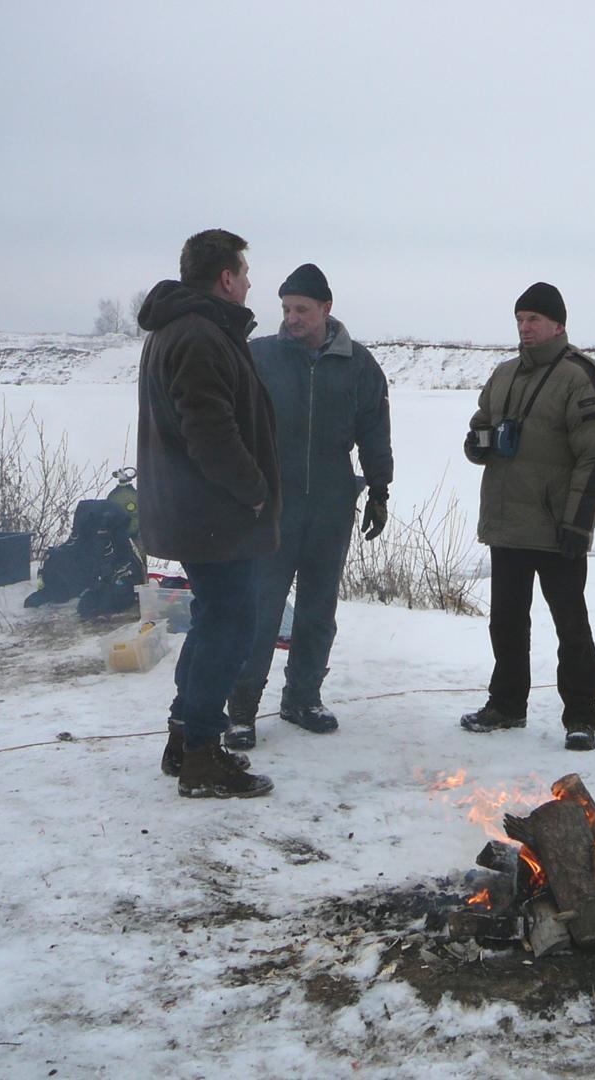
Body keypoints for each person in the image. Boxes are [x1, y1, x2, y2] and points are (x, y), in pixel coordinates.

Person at [223, 264, 393, 748]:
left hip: (332, 505)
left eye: (301, 308)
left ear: (326, 308)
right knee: (261, 610)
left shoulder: (359, 364)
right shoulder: (259, 356)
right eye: (286, 309)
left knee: (318, 610)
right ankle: (241, 709)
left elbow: (375, 432)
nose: (292, 318)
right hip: (271, 505)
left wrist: (379, 490)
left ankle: (303, 697)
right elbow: (231, 425)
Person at [137, 228, 280, 798]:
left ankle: (184, 738)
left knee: (214, 620)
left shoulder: (183, 328)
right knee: (231, 626)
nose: (249, 283)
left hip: (196, 510)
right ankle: (201, 755)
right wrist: (254, 489)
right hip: (215, 514)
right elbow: (209, 431)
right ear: (225, 278)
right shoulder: (199, 334)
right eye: (244, 273)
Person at [460, 282, 595, 750]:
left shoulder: (580, 377)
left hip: (556, 527)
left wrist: (578, 524)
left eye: (534, 319)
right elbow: (480, 426)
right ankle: (507, 704)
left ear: (558, 325)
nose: (525, 328)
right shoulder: (504, 374)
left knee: (571, 625)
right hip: (507, 523)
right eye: (520, 319)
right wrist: (478, 444)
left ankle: (582, 716)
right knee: (506, 622)